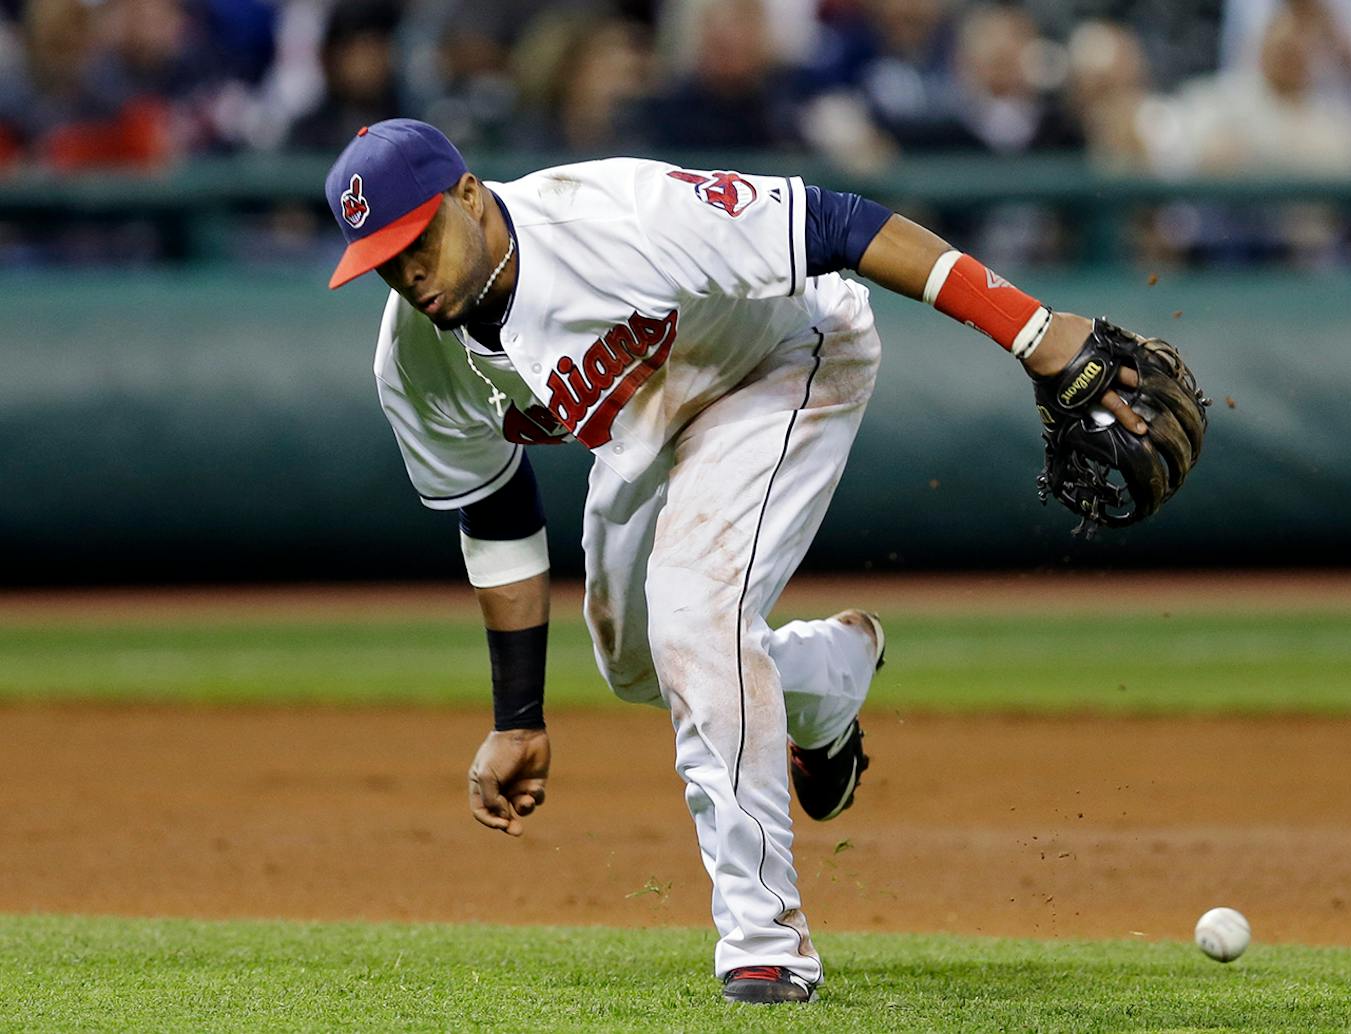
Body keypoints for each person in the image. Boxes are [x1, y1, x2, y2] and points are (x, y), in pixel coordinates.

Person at [323, 119, 1152, 1005]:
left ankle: (765, 943)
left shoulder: (617, 217)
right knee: (639, 665)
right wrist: (517, 714)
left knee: (694, 618)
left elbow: (843, 225)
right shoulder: (413, 359)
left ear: (469, 196)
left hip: (785, 360)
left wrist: (1031, 332)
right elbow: (495, 511)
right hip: (651, 427)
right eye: (382, 256)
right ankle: (827, 680)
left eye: (418, 238)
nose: (407, 271)